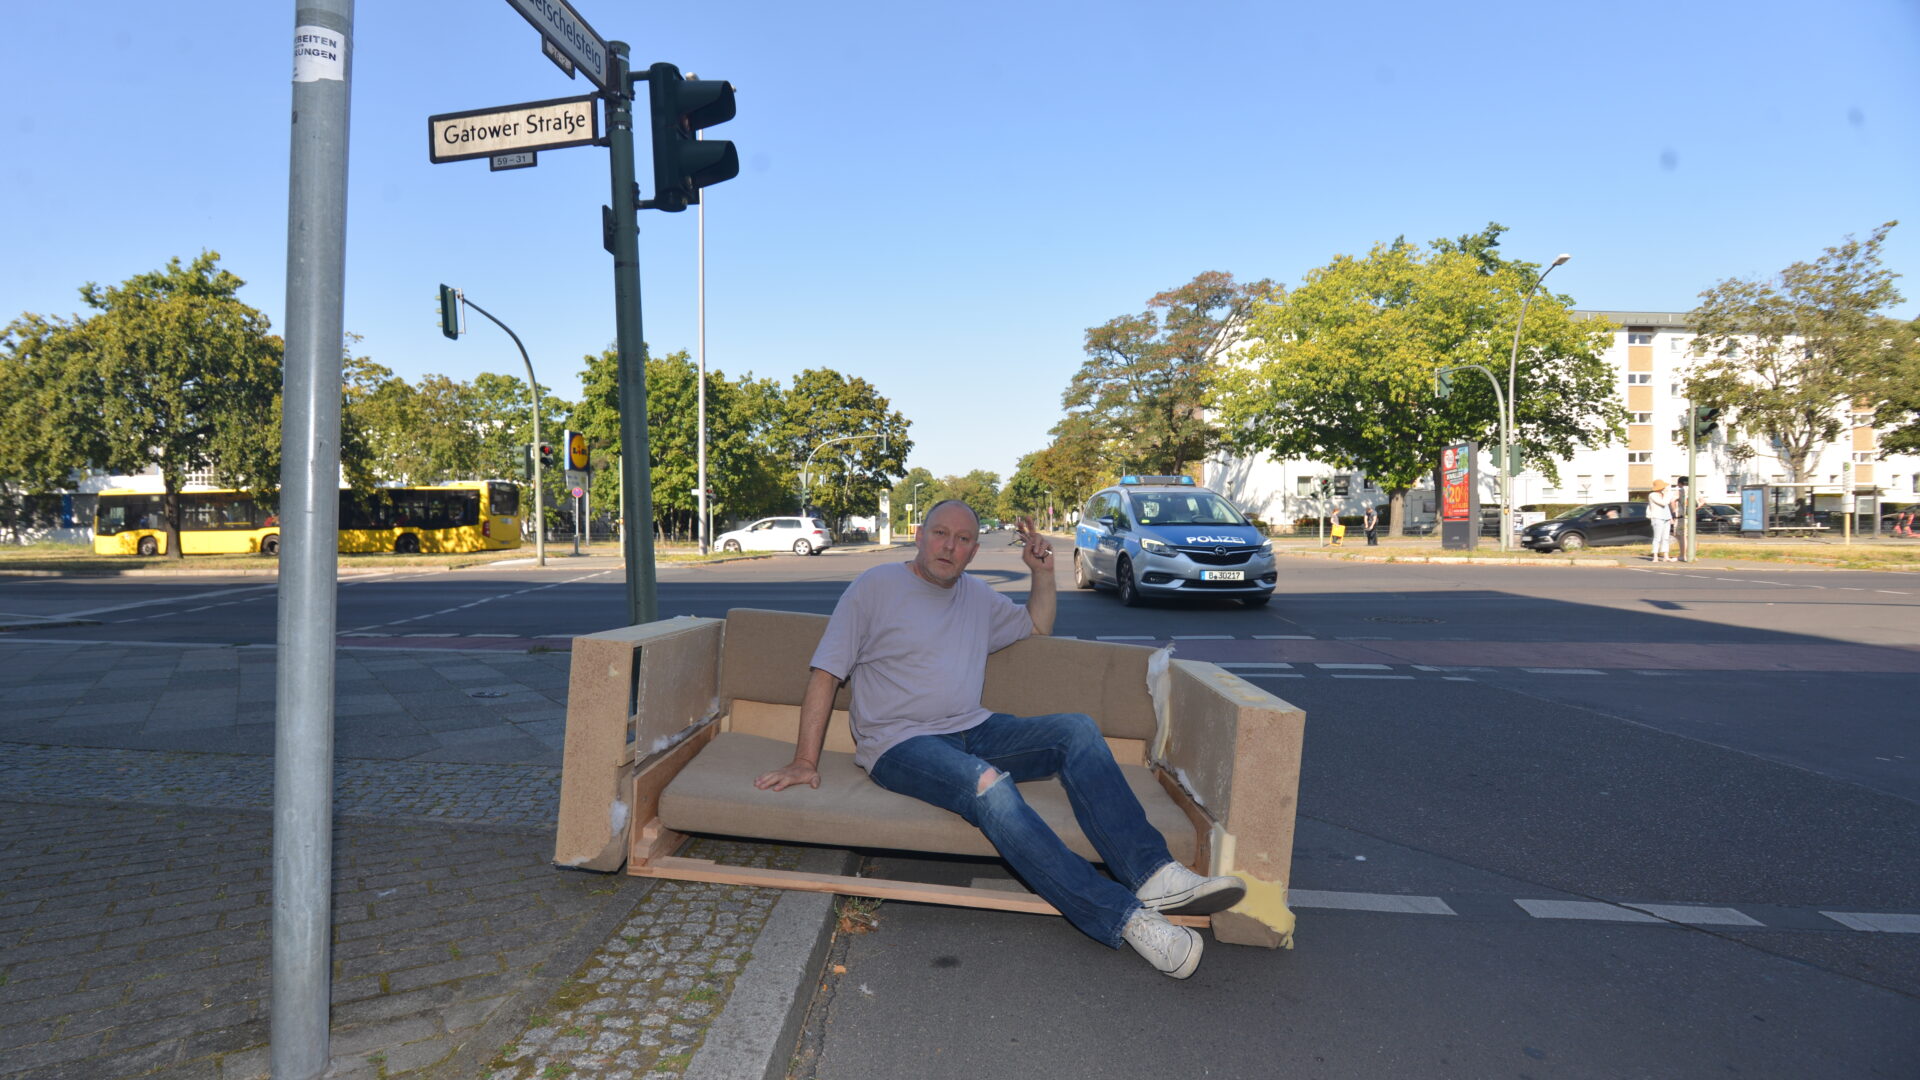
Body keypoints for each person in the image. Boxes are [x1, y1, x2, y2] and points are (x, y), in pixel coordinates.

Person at [754, 499, 1245, 979]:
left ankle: (1153, 876)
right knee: (989, 785)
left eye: (963, 539)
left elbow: (1038, 624)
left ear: (974, 551)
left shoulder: (975, 595)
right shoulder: (874, 586)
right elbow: (825, 672)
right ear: (920, 536)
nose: (950, 546)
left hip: (974, 726)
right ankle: (1125, 918)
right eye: (941, 534)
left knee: (1076, 729)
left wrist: (1042, 571)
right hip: (899, 745)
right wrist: (804, 759)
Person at [1647, 479, 1675, 562]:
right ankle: (1655, 556)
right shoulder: (1652, 495)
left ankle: (1666, 556)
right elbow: (1663, 503)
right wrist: (1669, 495)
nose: (1664, 488)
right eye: (1663, 487)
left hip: (1666, 517)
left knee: (1666, 538)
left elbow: (1666, 508)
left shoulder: (1664, 495)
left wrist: (1670, 518)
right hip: (1657, 517)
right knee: (1657, 537)